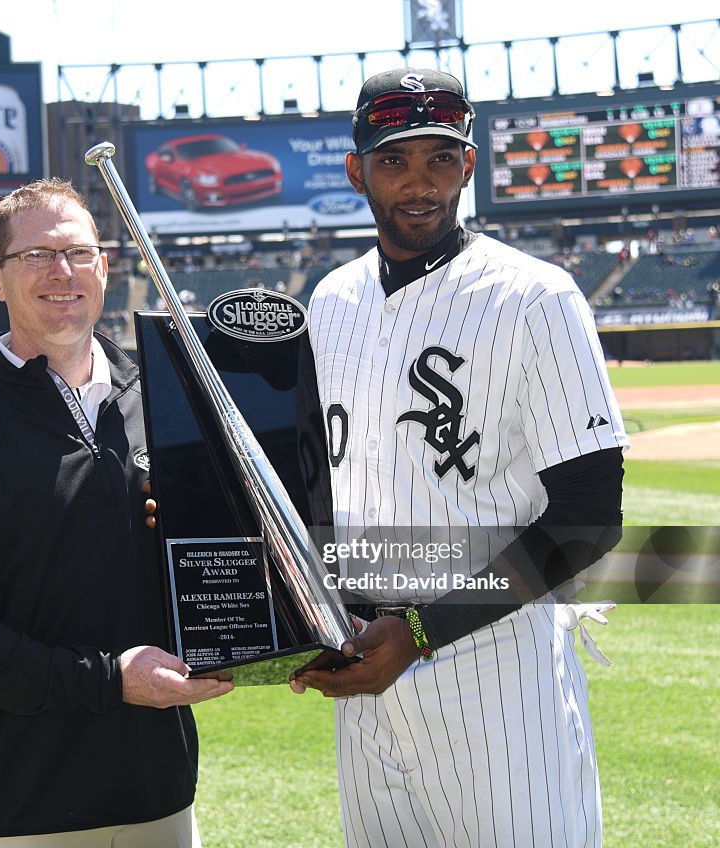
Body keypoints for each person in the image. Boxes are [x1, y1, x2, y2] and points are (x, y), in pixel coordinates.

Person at [290, 68, 628, 847]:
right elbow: (312, 488)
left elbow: (587, 521)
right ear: (356, 170)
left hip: (495, 669)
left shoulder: (535, 298)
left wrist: (420, 629)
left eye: (442, 159)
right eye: (395, 160)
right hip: (365, 663)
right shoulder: (331, 301)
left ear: (469, 166)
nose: (421, 183)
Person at [0, 177, 232, 847]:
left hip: (156, 795)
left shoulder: (171, 403)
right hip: (16, 809)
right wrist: (111, 681)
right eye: (36, 255)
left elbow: (221, 564)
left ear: (104, 267)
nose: (62, 271)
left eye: (78, 252)